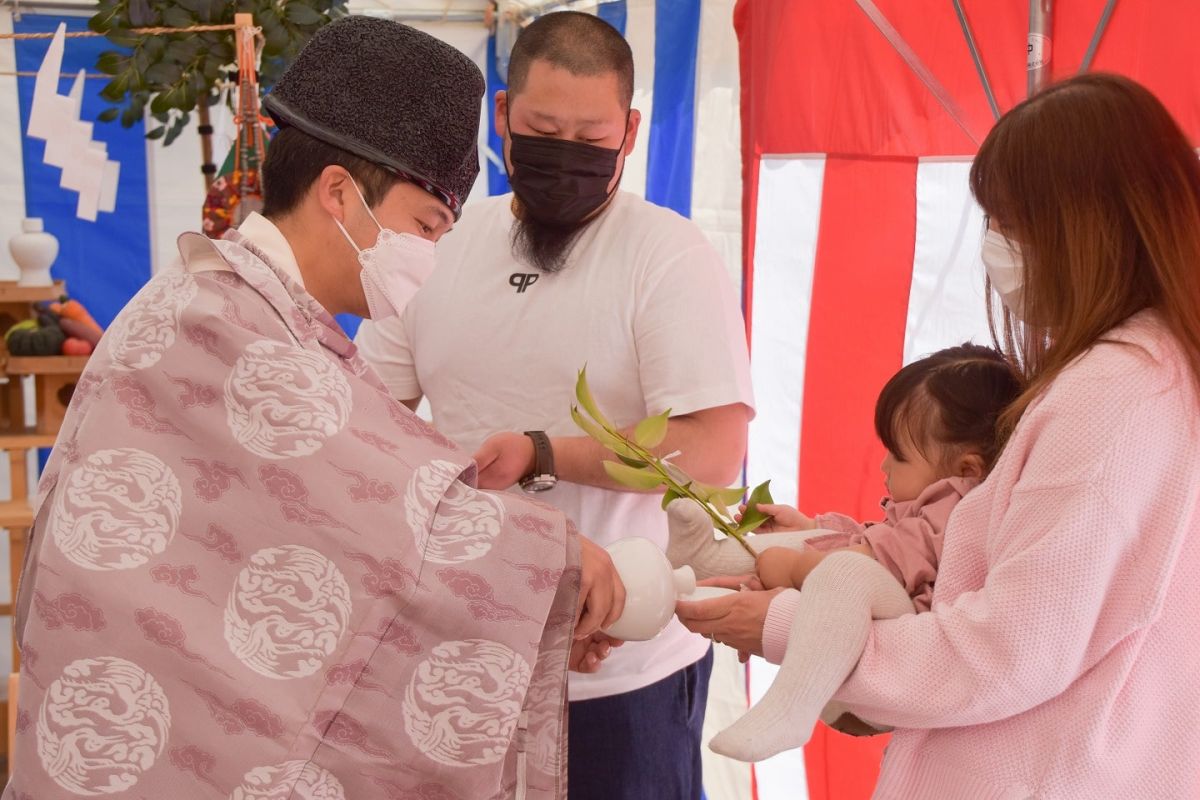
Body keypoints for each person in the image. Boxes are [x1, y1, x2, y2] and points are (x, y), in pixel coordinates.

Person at [6, 17, 624, 800]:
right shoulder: (225, 332)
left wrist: (543, 599)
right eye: (424, 226)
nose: (426, 259)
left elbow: (350, 557)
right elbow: (396, 521)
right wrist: (568, 571)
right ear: (338, 193)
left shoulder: (246, 312)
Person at [675, 72, 1200, 798]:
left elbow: (1011, 647)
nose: (996, 247)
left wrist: (786, 628)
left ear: (1085, 223)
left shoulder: (1113, 391)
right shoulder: (1166, 369)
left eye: (1011, 223)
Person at [354, 11, 754, 799]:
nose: (563, 156)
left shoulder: (666, 257)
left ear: (630, 132)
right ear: (501, 115)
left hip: (622, 678)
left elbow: (712, 452)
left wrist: (545, 452)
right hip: (462, 662)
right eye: (542, 130)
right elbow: (369, 423)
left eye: (589, 137)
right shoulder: (439, 242)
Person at [667, 344, 1022, 762]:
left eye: (899, 456)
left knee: (843, 570)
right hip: (872, 613)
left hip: (902, 642)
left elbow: (880, 563)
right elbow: (884, 541)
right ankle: (701, 556)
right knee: (816, 546)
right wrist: (810, 530)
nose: (885, 467)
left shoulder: (959, 508)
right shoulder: (935, 501)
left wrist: (793, 567)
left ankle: (791, 708)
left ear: (966, 469)